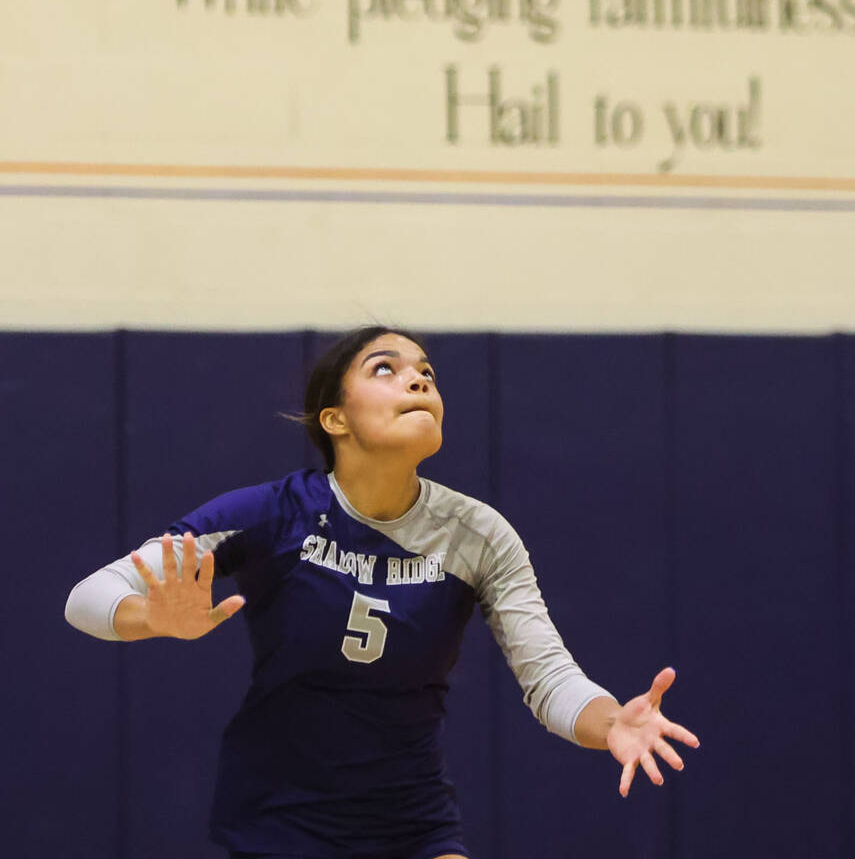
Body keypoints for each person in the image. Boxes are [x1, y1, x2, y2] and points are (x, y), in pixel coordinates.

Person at [65, 325, 699, 859]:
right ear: (335, 418)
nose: (419, 381)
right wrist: (148, 615)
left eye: (426, 371)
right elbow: (87, 596)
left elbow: (550, 678)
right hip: (280, 819)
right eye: (386, 369)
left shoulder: (478, 534)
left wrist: (611, 719)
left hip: (411, 819)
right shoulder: (272, 513)